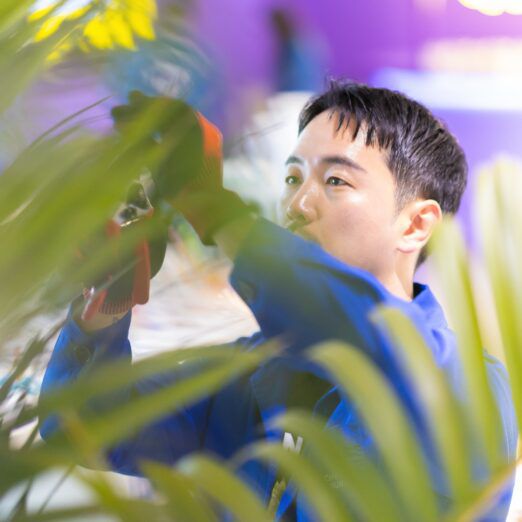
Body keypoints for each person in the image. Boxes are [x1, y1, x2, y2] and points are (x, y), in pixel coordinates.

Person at [39, 80, 517, 521]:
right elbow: (84, 428)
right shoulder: (253, 374)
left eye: (335, 181)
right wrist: (109, 300)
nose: (296, 205)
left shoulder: (458, 387)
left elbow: (353, 326)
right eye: (292, 179)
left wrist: (214, 210)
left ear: (415, 224)